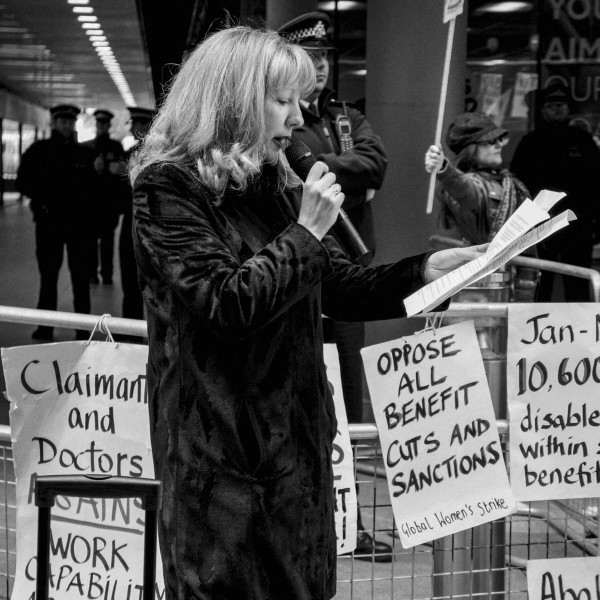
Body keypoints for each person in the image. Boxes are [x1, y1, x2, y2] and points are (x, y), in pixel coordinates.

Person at [129, 26, 485, 600]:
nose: (298, 119)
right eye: (283, 101)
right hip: (221, 469)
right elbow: (227, 302)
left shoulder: (268, 181)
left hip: (298, 458)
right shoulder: (167, 189)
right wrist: (305, 230)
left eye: (300, 102)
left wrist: (423, 274)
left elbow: (336, 285)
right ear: (233, 99)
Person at [277, 11, 391, 560]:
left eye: (323, 60)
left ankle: (351, 521)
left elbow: (376, 162)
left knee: (349, 396)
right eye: (308, 60)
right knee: (300, 399)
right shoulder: (277, 121)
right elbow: (295, 170)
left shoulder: (347, 117)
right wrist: (342, 172)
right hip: (298, 276)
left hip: (349, 276)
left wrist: (321, 164)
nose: (318, 71)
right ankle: (301, 516)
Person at [424, 112, 539, 301]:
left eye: (499, 139)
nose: (499, 145)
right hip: (478, 288)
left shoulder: (507, 181)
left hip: (511, 281)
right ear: (470, 149)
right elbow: (465, 189)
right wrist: (444, 168)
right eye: (489, 141)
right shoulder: (469, 183)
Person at [511, 82, 600, 301]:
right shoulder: (531, 143)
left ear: (569, 109)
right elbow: (517, 187)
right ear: (542, 110)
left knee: (578, 285)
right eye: (552, 105)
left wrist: (596, 223)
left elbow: (597, 183)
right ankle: (538, 331)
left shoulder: (583, 140)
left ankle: (581, 332)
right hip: (541, 226)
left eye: (562, 104)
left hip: (578, 224)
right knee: (540, 284)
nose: (558, 109)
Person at [16, 104, 97, 341]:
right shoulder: (38, 151)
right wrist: (43, 198)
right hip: (49, 222)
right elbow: (22, 182)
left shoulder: (85, 153)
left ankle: (83, 329)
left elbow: (94, 189)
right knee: (48, 277)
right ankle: (45, 327)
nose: (67, 125)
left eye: (70, 121)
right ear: (53, 122)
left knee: (80, 279)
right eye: (62, 121)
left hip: (78, 225)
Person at [118, 106, 154, 322]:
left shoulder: (157, 155)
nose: (133, 128)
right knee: (131, 281)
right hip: (132, 221)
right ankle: (131, 330)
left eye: (137, 124)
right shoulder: (128, 154)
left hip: (144, 223)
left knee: (138, 282)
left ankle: (133, 333)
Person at [82, 109, 125, 285]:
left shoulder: (116, 147)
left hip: (109, 204)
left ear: (108, 125)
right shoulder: (86, 147)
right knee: (91, 241)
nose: (101, 126)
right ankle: (92, 273)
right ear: (96, 124)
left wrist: (110, 172)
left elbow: (121, 175)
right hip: (90, 204)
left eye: (104, 123)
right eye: (99, 123)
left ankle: (107, 274)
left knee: (107, 241)